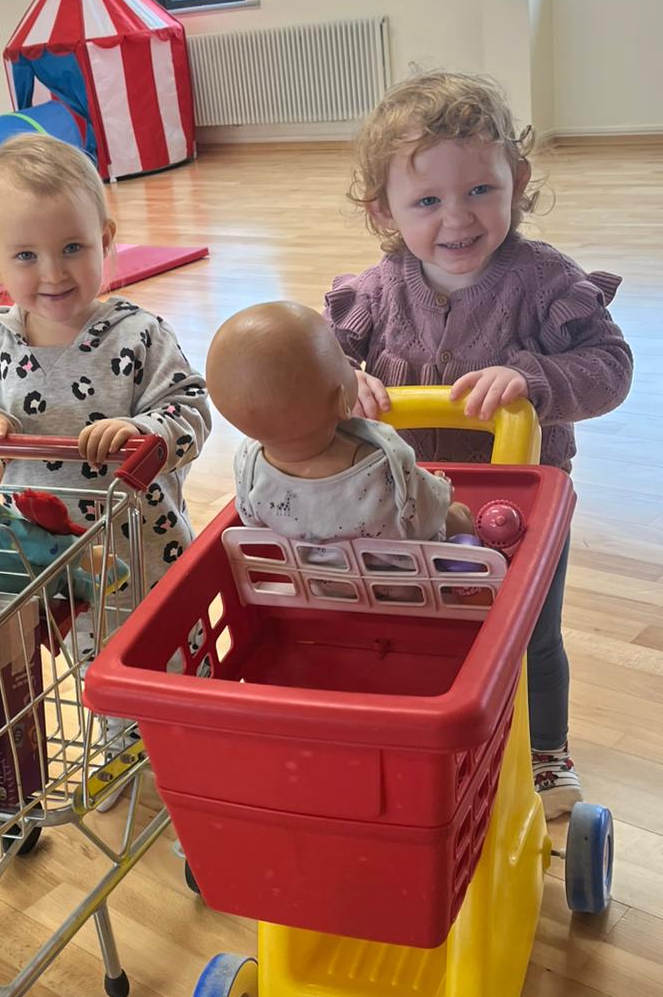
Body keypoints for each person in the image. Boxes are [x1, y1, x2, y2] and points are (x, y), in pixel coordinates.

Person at [326, 71, 633, 818]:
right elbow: (319, 359)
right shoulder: (376, 291)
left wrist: (532, 378)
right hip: (404, 505)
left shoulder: (545, 280)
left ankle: (546, 752)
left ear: (517, 181)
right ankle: (434, 730)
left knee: (531, 632)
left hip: (521, 507)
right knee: (417, 623)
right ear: (383, 210)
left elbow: (610, 368)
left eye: (480, 191)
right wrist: (342, 382)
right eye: (427, 201)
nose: (458, 218)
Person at [0, 134, 210, 600]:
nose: (53, 273)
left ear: (104, 240)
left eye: (72, 247)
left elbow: (191, 413)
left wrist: (140, 429)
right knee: (69, 646)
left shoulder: (140, 335)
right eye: (26, 256)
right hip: (45, 566)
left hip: (144, 560)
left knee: (158, 646)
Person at [206, 300, 473, 546]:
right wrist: (441, 490)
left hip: (318, 573)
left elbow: (251, 519)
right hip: (397, 573)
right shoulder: (382, 460)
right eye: (344, 361)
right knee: (457, 516)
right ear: (343, 400)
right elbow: (424, 512)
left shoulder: (247, 463)